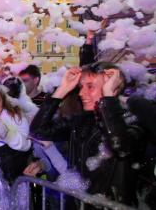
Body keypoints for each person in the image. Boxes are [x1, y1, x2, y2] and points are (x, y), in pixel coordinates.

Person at [31, 62, 145, 207]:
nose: (80, 93)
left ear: (113, 89)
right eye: (81, 87)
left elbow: (120, 146)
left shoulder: (131, 121)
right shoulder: (82, 120)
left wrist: (108, 98)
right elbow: (39, 130)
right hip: (78, 203)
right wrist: (62, 89)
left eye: (90, 86)